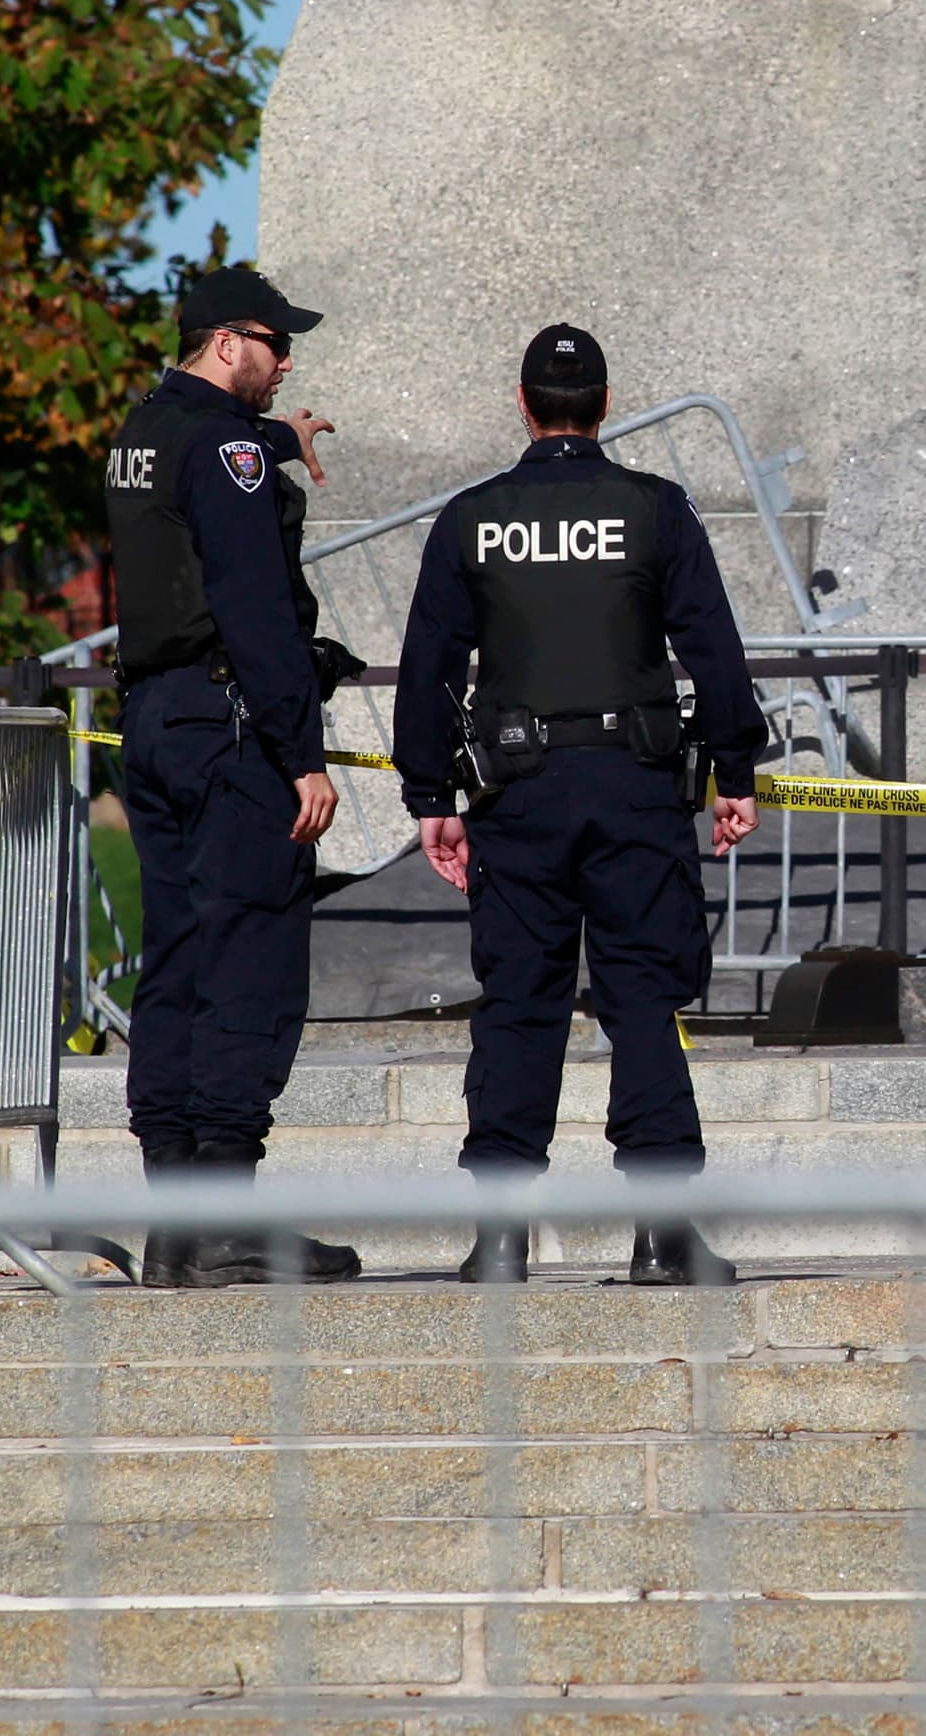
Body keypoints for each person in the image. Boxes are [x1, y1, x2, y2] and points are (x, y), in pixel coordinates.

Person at [391, 325, 766, 1285]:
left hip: (516, 792)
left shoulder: (475, 517)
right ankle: (663, 1236)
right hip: (636, 790)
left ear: (524, 406)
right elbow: (713, 648)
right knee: (642, 1001)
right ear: (604, 404)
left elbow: (430, 661)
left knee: (519, 1005)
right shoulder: (654, 509)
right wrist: (735, 771)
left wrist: (430, 793)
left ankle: (502, 1240)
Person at [105, 263, 363, 1287]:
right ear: (225, 342)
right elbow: (254, 605)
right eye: (272, 342)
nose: (286, 358)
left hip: (159, 722)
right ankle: (225, 1216)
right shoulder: (223, 448)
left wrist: (274, 436)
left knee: (175, 960)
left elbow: (203, 463)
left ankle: (177, 1216)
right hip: (234, 730)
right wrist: (303, 752)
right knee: (247, 960)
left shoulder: (145, 430)